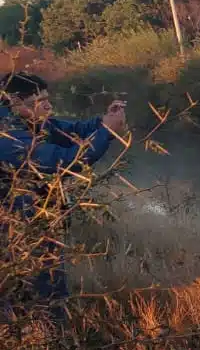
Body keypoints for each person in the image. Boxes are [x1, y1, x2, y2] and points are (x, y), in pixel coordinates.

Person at [1, 73, 126, 319]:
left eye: (48, 99)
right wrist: (107, 133)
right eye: (41, 101)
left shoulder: (30, 123)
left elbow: (69, 130)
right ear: (15, 101)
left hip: (35, 230)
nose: (48, 106)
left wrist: (103, 122)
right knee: (40, 301)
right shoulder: (7, 138)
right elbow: (66, 162)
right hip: (18, 236)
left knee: (45, 294)